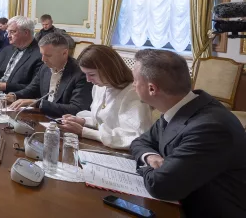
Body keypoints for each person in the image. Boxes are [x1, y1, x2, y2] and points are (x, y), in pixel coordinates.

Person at [130, 50, 246, 217]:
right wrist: (150, 157)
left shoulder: (210, 128)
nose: (133, 85)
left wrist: (145, 168)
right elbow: (140, 142)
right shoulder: (181, 107)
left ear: (152, 88)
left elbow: (162, 186)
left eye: (135, 80)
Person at [58, 45, 153, 150]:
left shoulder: (133, 94)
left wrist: (83, 131)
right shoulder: (100, 87)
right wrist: (82, 121)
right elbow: (103, 121)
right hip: (105, 147)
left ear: (108, 70)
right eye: (85, 74)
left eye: (92, 75)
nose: (88, 80)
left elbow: (133, 137)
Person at [7, 33, 92, 118]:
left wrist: (39, 103)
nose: (43, 59)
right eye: (42, 54)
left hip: (62, 121)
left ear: (65, 53)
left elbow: (77, 109)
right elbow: (32, 89)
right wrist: (14, 96)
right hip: (43, 117)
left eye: (48, 55)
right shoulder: (45, 67)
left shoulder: (81, 74)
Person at [0, 16, 43, 92]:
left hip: (15, 96)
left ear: (26, 33)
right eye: (8, 32)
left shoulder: (40, 55)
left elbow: (35, 88)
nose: (8, 36)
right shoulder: (7, 50)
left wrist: (5, 86)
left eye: (12, 32)